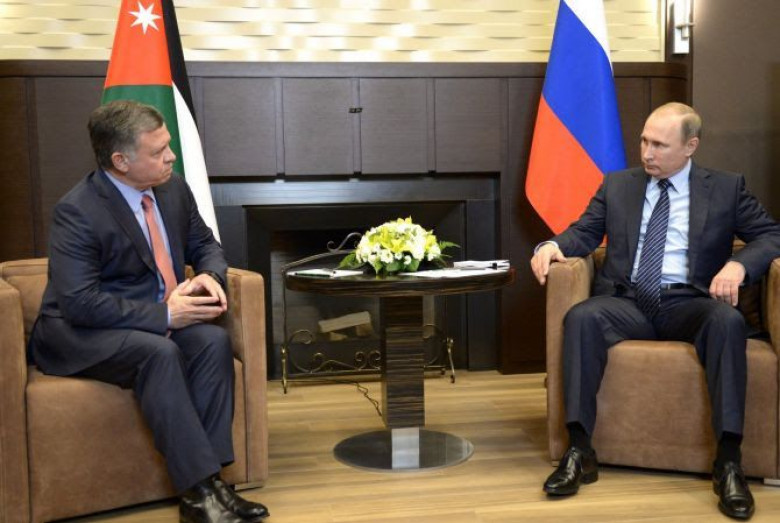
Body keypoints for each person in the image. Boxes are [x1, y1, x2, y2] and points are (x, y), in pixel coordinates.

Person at [530, 102, 780, 521]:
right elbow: (585, 231)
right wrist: (552, 245)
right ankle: (579, 450)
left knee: (728, 321)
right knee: (582, 317)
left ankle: (728, 461)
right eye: (644, 141)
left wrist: (739, 265)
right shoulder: (618, 185)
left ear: (690, 146)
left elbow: (772, 235)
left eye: (659, 145)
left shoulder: (726, 188)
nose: (647, 152)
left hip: (691, 302)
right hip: (628, 301)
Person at [29, 100, 269, 523]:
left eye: (169, 146)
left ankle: (213, 488)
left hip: (151, 319)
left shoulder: (173, 189)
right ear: (120, 161)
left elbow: (205, 244)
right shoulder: (78, 211)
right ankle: (199, 490)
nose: (171, 157)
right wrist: (165, 316)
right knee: (158, 353)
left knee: (212, 342)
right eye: (158, 152)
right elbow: (79, 302)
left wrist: (209, 275)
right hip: (80, 331)